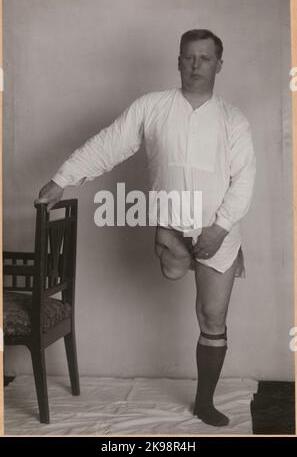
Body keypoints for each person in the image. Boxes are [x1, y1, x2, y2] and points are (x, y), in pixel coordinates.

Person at [36, 29, 256, 427]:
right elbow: (108, 145)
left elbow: (244, 180)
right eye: (188, 57)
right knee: (171, 270)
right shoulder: (152, 107)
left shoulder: (233, 119)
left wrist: (219, 229)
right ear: (177, 61)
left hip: (217, 233)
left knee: (212, 317)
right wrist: (62, 178)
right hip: (171, 225)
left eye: (204, 58)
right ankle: (172, 252)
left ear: (219, 65)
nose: (195, 65)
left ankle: (204, 402)